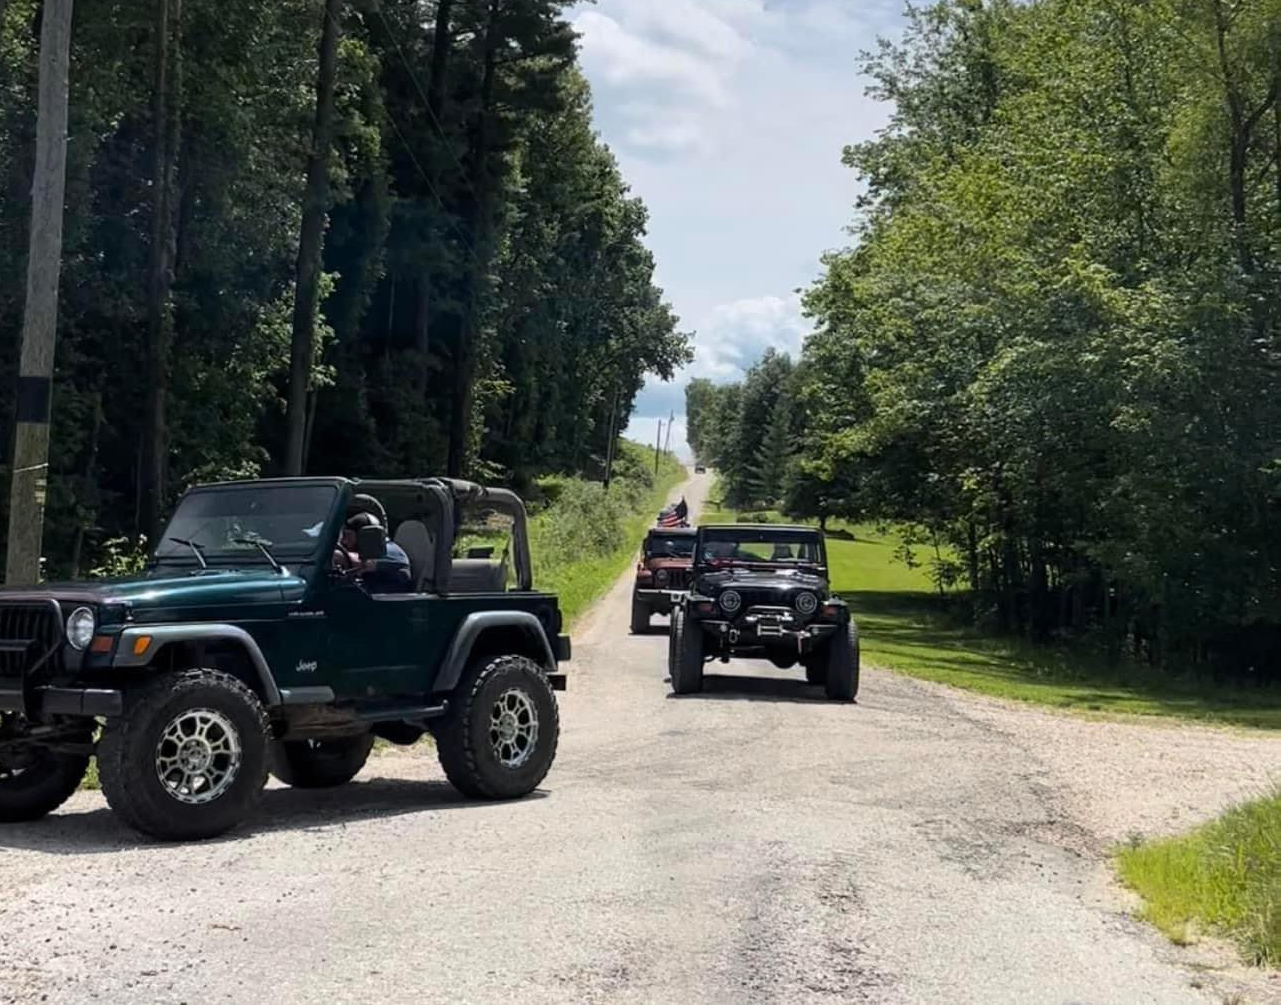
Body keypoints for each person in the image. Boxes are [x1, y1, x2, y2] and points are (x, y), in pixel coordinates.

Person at [338, 512, 412, 593]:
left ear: (367, 535)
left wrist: (336, 555)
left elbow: (360, 562)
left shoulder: (390, 551)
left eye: (348, 536)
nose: (344, 541)